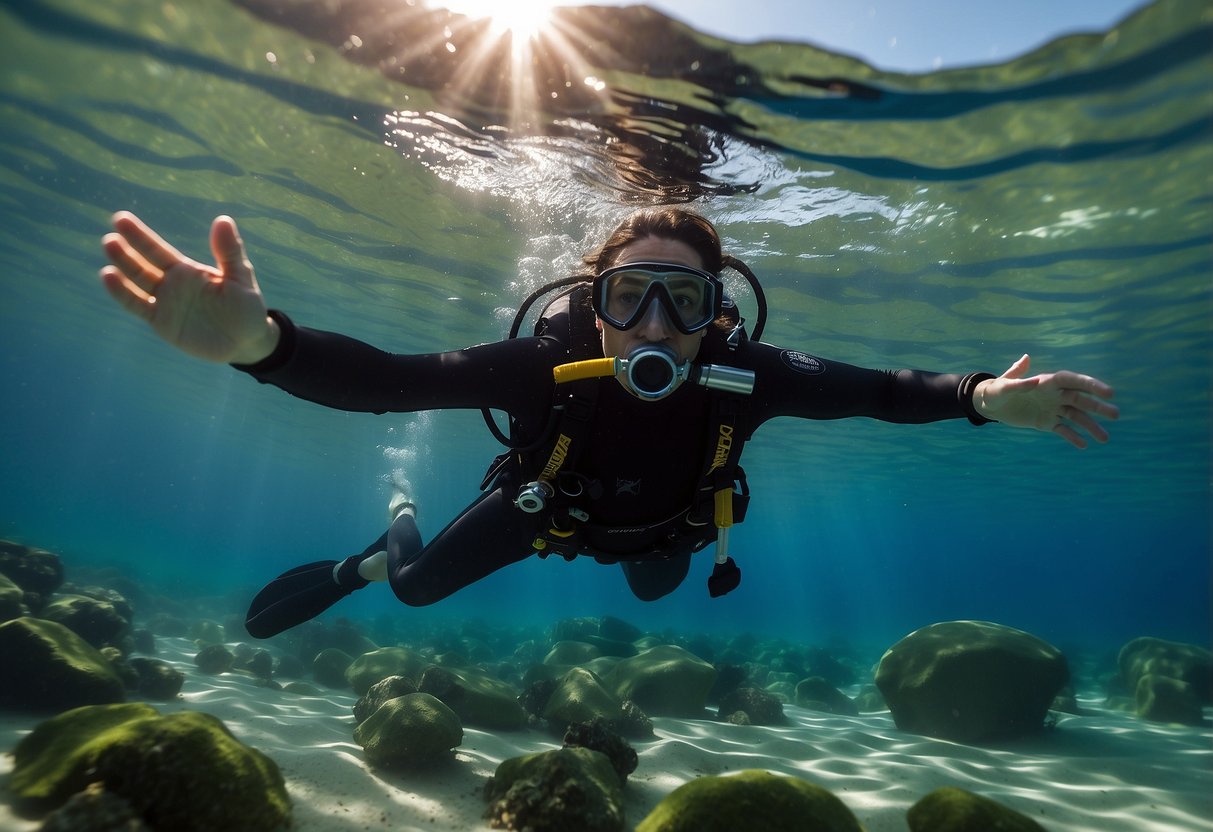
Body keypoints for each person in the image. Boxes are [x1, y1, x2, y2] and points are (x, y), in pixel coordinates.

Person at [99, 208, 1119, 638]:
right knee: (413, 591)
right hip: (543, 508)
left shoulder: (742, 372)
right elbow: (390, 382)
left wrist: (980, 396)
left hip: (667, 529)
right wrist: (262, 347)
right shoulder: (547, 365)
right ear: (593, 303)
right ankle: (375, 549)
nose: (656, 326)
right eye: (632, 295)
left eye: (685, 301)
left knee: (656, 582)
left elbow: (879, 390)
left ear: (719, 310)